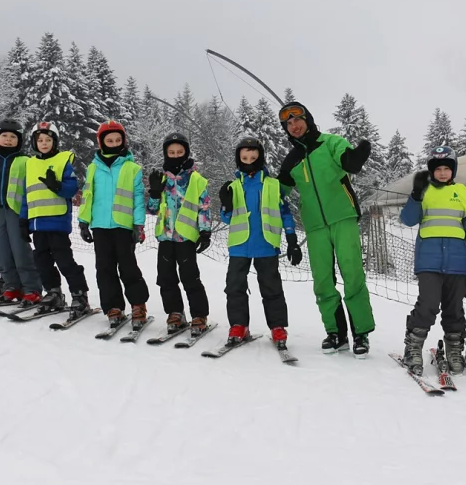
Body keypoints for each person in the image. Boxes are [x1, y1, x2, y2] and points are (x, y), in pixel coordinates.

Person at [276, 101, 375, 357]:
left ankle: (360, 332)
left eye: (297, 119)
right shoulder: (291, 161)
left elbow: (349, 163)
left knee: (352, 274)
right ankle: (335, 333)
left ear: (307, 119)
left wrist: (357, 156)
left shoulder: (330, 142)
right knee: (322, 281)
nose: (294, 126)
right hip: (315, 225)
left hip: (342, 216)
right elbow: (277, 194)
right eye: (288, 123)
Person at [399, 146, 466, 376]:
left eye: (447, 168)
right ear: (432, 171)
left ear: (453, 170)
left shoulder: (464, 193)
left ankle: (454, 349)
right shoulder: (424, 191)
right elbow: (407, 220)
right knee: (428, 306)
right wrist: (415, 196)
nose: (443, 173)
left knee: (454, 308)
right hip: (429, 261)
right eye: (439, 169)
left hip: (458, 263)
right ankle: (413, 347)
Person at [219, 136, 302, 347]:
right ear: (239, 159)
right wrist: (226, 205)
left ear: (260, 157)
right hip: (240, 244)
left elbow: (284, 213)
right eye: (244, 157)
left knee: (271, 286)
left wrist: (291, 239)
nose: (249, 160)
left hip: (266, 243)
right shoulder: (234, 186)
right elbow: (226, 218)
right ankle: (238, 324)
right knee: (234, 286)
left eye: (253, 156)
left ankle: (277, 327)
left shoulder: (273, 185)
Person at [78, 120, 150, 330]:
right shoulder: (93, 168)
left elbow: (137, 198)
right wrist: (84, 221)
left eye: (118, 140)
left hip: (123, 225)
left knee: (128, 267)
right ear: (101, 142)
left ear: (123, 141)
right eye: (109, 140)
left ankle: (138, 304)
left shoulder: (132, 168)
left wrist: (138, 225)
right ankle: (113, 307)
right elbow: (88, 195)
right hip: (100, 225)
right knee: (105, 268)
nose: (114, 143)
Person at [145, 132, 212, 336]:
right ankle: (175, 312)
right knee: (165, 277)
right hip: (166, 236)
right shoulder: (162, 178)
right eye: (171, 152)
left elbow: (204, 206)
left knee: (190, 277)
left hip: (186, 236)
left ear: (186, 152)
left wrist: (205, 230)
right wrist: (155, 193)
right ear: (166, 153)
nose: (175, 155)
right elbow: (152, 209)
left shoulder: (196, 179)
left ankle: (199, 315)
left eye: (179, 152)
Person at [21, 121, 90, 318]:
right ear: (34, 143)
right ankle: (53, 292)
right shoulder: (31, 164)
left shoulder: (62, 161)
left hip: (57, 222)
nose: (44, 143)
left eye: (48, 140)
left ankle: (80, 294)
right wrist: (23, 220)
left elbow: (72, 189)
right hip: (37, 223)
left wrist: (56, 185)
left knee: (64, 260)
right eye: (40, 140)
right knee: (41, 261)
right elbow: (27, 195)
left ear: (55, 141)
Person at [0, 119, 43, 306]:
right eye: (4, 136)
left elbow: (32, 188)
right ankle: (12, 286)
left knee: (20, 251)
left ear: (19, 140)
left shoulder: (26, 161)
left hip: (16, 211)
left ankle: (31, 288)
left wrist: (30, 214)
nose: (8, 140)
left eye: (13, 137)